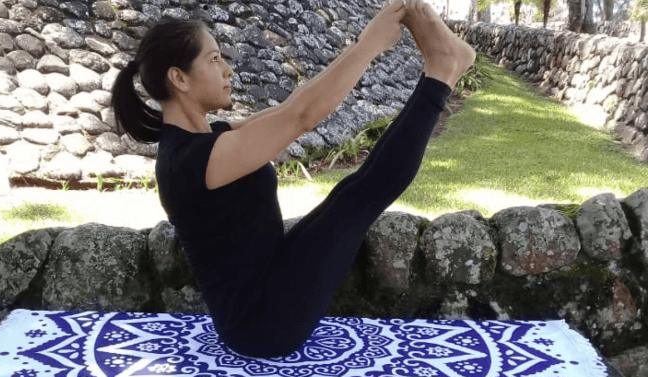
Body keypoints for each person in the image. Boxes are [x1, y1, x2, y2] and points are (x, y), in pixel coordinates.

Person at [111, 0, 475, 358]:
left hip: (270, 286)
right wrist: (369, 44)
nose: (228, 70)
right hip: (262, 325)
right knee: (360, 195)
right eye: (214, 59)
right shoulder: (191, 161)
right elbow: (303, 116)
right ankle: (442, 73)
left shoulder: (205, 143)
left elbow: (291, 106)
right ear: (179, 78)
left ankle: (442, 67)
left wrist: (364, 44)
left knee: (350, 193)